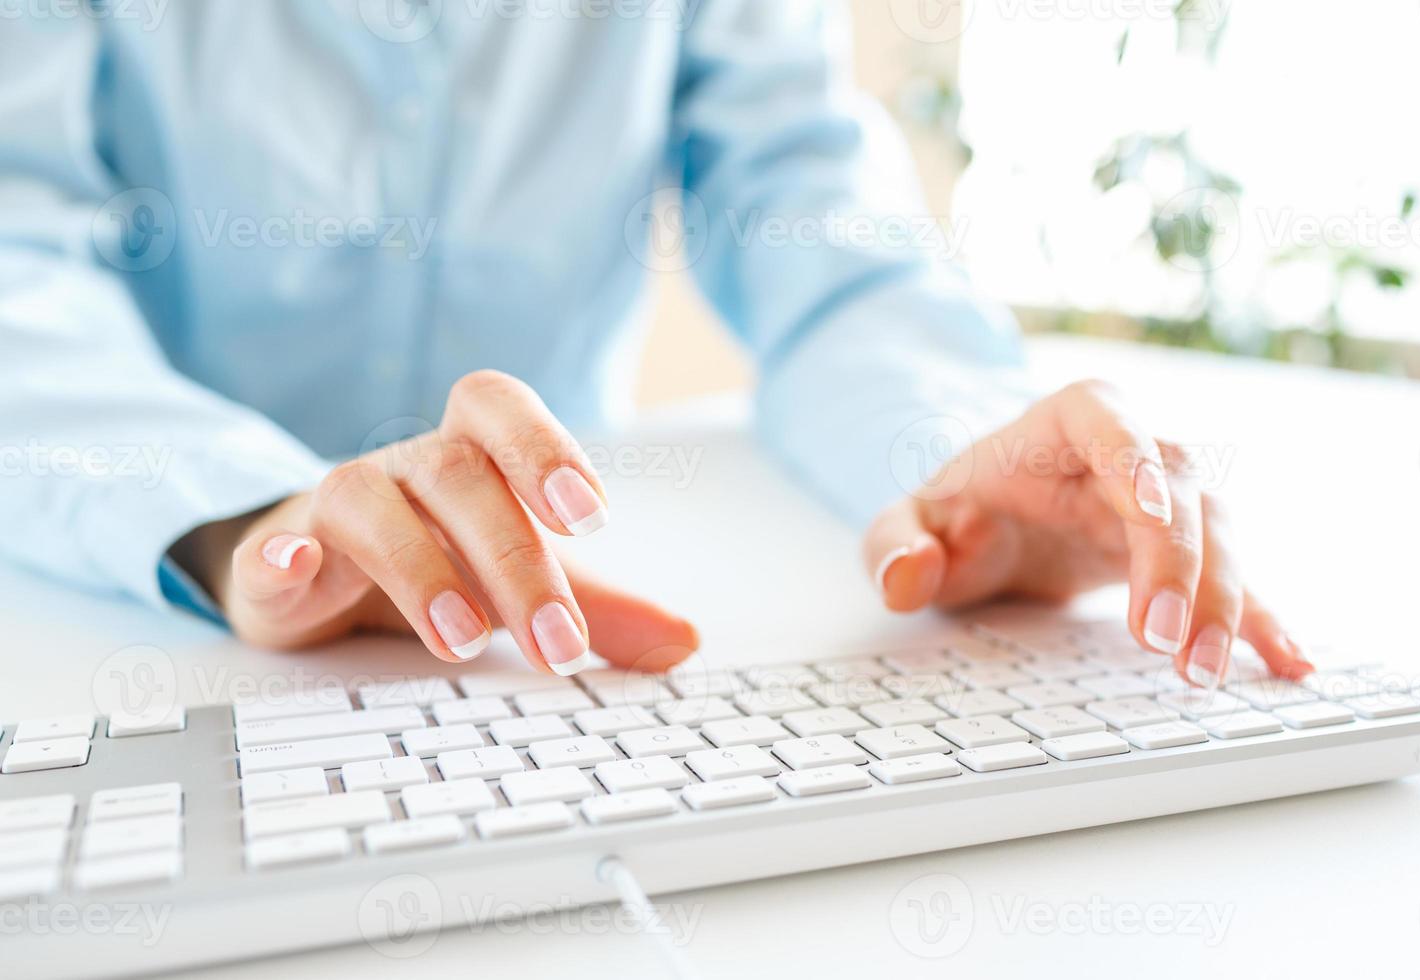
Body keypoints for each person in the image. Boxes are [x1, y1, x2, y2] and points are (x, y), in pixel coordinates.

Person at [0, 1, 1312, 687]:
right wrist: (242, 520)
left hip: (558, 630)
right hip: (130, 613)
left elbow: (811, 222)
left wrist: (961, 456)